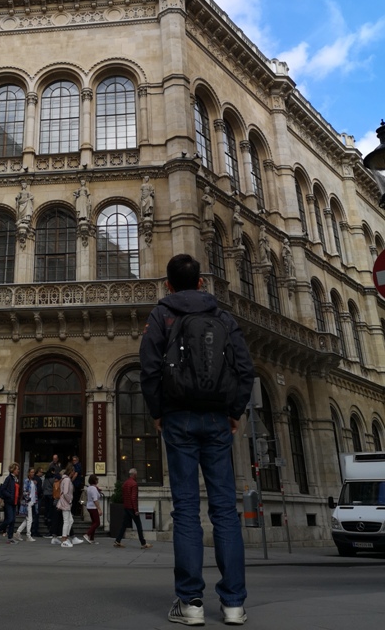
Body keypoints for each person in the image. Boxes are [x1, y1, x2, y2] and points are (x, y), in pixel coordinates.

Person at [140, 253, 255, 626]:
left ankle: (190, 603)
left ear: (168, 284)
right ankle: (234, 603)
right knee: (224, 509)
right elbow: (244, 368)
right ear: (201, 282)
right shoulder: (222, 316)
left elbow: (149, 368)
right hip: (217, 418)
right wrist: (234, 411)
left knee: (186, 508)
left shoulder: (162, 314)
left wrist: (158, 412)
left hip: (177, 418)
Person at [113, 469, 152, 551]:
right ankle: (143, 543)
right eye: (136, 474)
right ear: (134, 475)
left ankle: (117, 540)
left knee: (124, 525)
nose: (137, 476)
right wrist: (136, 510)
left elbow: (124, 496)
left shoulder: (125, 483)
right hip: (131, 507)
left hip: (126, 506)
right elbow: (133, 498)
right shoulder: (134, 484)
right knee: (138, 525)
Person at [0, 462, 20, 544]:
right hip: (9, 501)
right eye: (17, 469)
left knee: (13, 520)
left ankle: (10, 538)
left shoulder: (15, 479)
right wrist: (9, 495)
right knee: (9, 519)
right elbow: (3, 489)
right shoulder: (9, 478)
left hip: (14, 502)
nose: (18, 471)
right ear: (13, 470)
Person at [16, 467, 38, 541]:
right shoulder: (26, 481)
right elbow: (25, 491)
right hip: (28, 502)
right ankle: (28, 535)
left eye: (33, 472)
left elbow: (34, 492)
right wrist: (28, 499)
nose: (32, 473)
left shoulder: (33, 482)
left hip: (32, 502)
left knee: (27, 519)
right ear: (28, 473)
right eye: (31, 472)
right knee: (29, 519)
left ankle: (18, 532)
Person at [43, 454, 61, 531]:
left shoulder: (46, 479)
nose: (54, 460)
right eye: (53, 458)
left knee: (47, 508)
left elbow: (43, 486)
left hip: (45, 494)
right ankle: (49, 520)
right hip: (50, 494)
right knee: (50, 508)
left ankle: (46, 517)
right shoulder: (53, 479)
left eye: (55, 458)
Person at [83, 474, 102, 544]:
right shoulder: (93, 489)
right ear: (95, 480)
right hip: (93, 507)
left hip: (89, 506)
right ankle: (87, 534)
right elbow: (95, 499)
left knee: (94, 522)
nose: (98, 480)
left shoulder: (90, 488)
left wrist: (98, 490)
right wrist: (99, 509)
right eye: (97, 479)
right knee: (97, 523)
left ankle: (91, 539)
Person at [31, 467, 44, 537]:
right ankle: (35, 531)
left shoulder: (33, 479)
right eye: (41, 472)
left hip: (33, 499)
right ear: (38, 472)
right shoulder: (38, 479)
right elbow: (38, 490)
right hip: (37, 498)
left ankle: (32, 530)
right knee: (36, 514)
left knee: (33, 515)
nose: (42, 473)